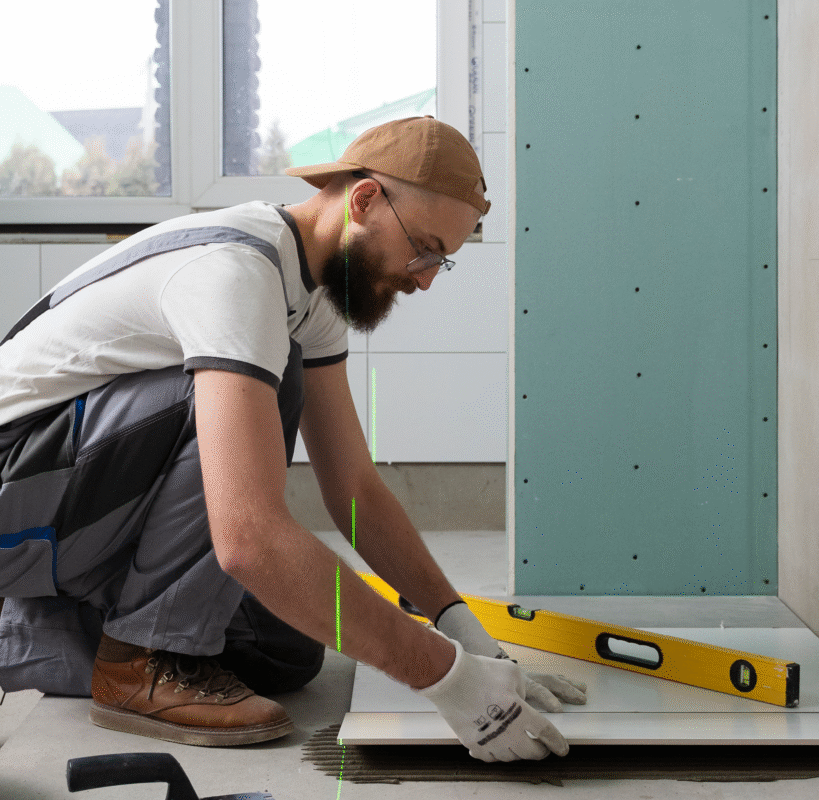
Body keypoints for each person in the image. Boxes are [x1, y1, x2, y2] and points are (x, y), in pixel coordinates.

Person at [0, 116, 586, 762]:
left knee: (286, 646)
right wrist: (444, 677)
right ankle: (139, 663)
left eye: (439, 261)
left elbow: (354, 489)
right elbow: (248, 537)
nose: (425, 278)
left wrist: (473, 644)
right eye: (423, 249)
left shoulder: (310, 294)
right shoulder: (235, 270)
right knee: (270, 390)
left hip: (68, 508)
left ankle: (32, 635)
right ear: (364, 200)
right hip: (18, 481)